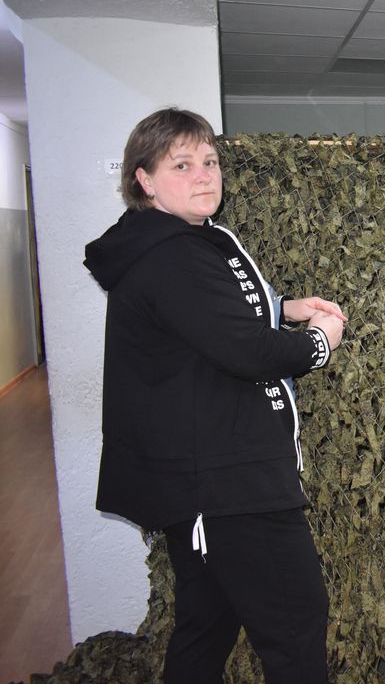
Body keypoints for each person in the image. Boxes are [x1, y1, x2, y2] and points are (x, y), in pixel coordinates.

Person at [84, 108, 347, 684]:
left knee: (207, 625)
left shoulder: (177, 242)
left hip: (209, 480)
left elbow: (202, 324)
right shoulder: (172, 255)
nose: (204, 175)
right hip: (228, 487)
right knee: (295, 626)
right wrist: (319, 342)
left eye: (209, 161)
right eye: (181, 165)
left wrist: (283, 308)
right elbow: (245, 350)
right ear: (144, 180)